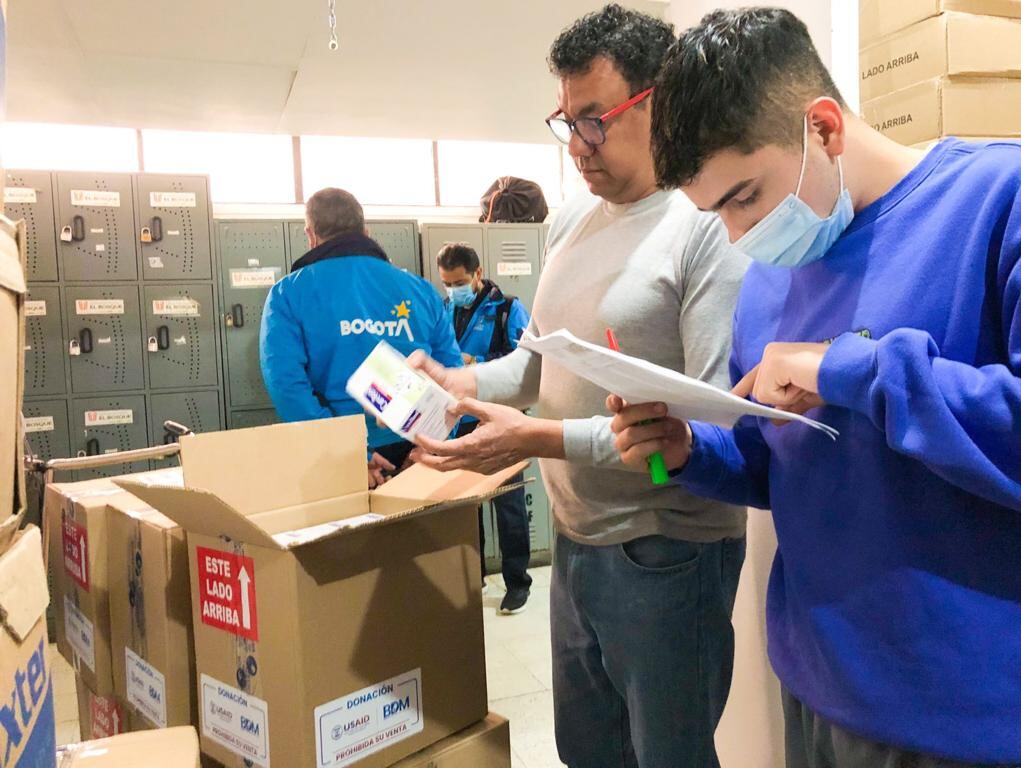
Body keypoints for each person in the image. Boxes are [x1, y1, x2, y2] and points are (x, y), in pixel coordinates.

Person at [609, 8, 1021, 768]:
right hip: (817, 685)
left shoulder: (1000, 200)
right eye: (714, 215)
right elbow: (784, 465)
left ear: (824, 128)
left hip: (965, 713)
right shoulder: (768, 283)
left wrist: (844, 367)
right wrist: (692, 451)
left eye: (743, 198)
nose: (738, 238)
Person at [411, 6, 750, 766]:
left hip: (667, 552)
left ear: (657, 99)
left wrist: (537, 440)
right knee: (589, 755)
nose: (577, 148)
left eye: (595, 121)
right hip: (577, 542)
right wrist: (454, 377)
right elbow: (536, 364)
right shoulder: (571, 223)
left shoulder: (704, 225)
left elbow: (706, 420)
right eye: (566, 123)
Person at [259, 187, 462, 487]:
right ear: (366, 232)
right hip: (418, 453)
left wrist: (349, 452)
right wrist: (435, 444)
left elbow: (286, 384)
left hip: (338, 459)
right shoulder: (420, 290)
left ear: (310, 235)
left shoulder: (288, 294)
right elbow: (452, 374)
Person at [437, 242, 533, 613]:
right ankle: (472, 577)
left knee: (508, 504)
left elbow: (526, 363)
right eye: (446, 283)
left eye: (459, 282)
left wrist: (477, 361)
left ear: (477, 274)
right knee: (466, 505)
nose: (453, 290)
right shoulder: (445, 309)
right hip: (459, 419)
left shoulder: (508, 308)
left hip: (499, 418)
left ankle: (517, 582)